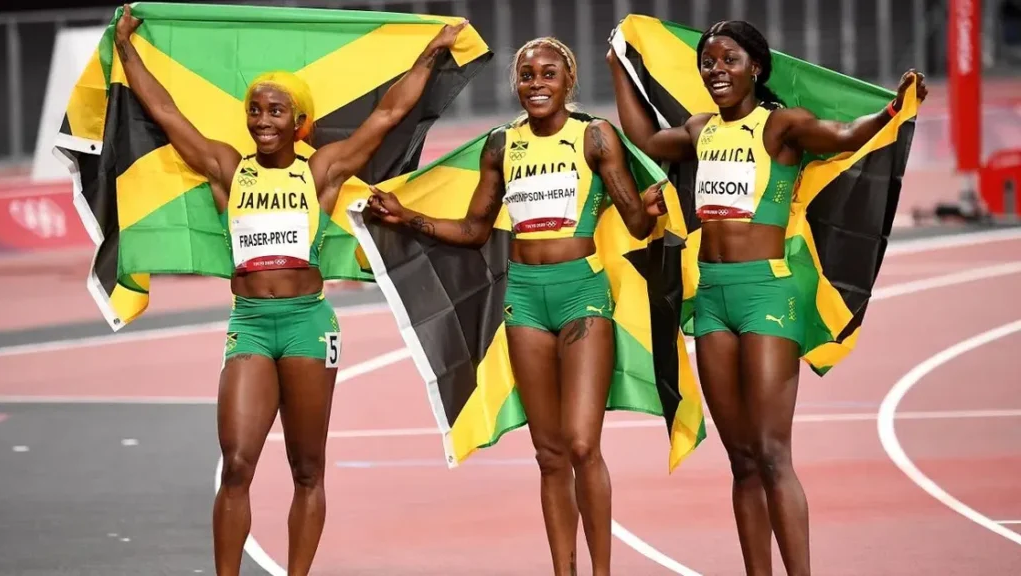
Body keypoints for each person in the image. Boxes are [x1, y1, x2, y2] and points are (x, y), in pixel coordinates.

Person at [112, 5, 467, 575]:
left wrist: (429, 55)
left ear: (299, 121)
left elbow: (388, 115)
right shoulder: (227, 168)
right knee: (236, 464)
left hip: (308, 324)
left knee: (307, 469)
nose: (262, 119)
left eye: (276, 110)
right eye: (254, 109)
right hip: (250, 323)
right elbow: (165, 112)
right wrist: (127, 49)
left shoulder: (320, 170)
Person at [606, 19, 926, 576]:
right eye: (707, 63)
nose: (716, 71)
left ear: (756, 66)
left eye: (729, 60)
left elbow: (845, 135)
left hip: (766, 295)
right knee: (742, 460)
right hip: (711, 299)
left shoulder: (780, 127)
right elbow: (647, 139)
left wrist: (892, 110)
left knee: (774, 454)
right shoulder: (701, 130)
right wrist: (618, 66)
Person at [366, 36, 665, 576]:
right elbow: (476, 230)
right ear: (516, 85)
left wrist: (651, 207)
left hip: (582, 293)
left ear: (568, 82)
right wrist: (406, 215)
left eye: (548, 74)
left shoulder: (595, 138)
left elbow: (637, 225)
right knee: (549, 454)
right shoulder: (501, 147)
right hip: (524, 298)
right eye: (527, 75)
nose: (536, 84)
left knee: (580, 444)